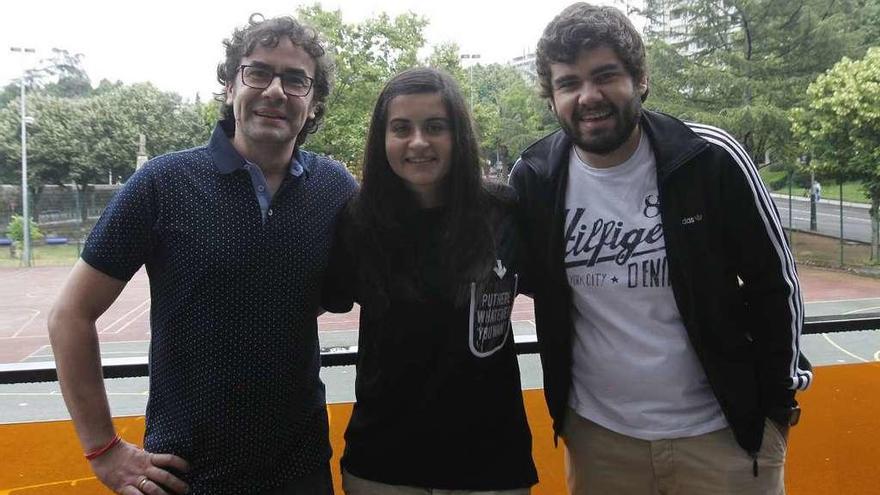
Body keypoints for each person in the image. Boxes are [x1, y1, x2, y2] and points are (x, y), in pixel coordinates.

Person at [509, 3, 812, 494]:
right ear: (551, 98)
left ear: (641, 79)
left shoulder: (709, 159)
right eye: (568, 83)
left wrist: (777, 406)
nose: (589, 96)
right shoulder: (536, 177)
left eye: (605, 75)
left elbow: (774, 282)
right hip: (600, 440)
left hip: (723, 437)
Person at [47, 14, 356, 494]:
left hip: (300, 473)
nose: (275, 90)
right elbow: (70, 314)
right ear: (231, 86)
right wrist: (103, 450)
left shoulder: (334, 190)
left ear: (313, 104)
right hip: (182, 477)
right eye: (258, 72)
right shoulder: (163, 183)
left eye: (296, 80)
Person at [322, 67, 537, 494]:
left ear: (458, 135)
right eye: (401, 128)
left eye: (435, 127)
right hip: (383, 465)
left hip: (492, 462)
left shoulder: (505, 212)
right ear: (382, 139)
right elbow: (322, 299)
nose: (418, 142)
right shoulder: (356, 221)